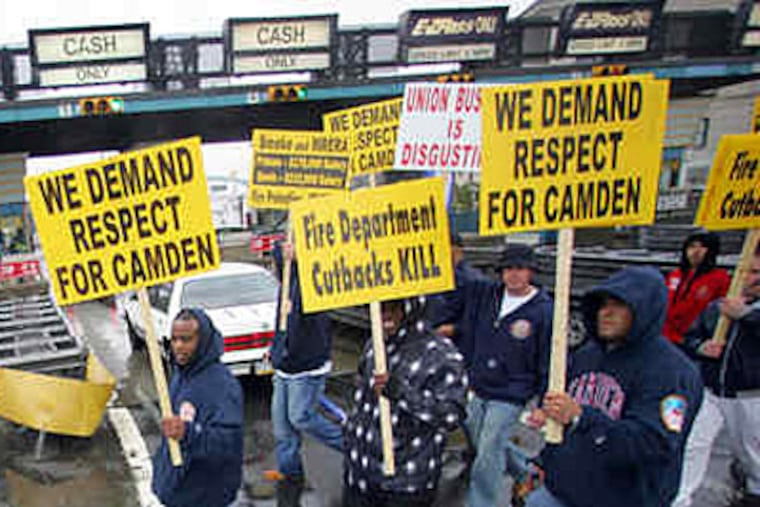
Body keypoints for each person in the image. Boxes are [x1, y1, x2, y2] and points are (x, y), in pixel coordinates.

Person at [525, 266, 703, 507]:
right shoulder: (586, 354)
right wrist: (545, 457)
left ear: (645, 309)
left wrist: (581, 417)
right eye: (603, 304)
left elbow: (654, 443)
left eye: (619, 305)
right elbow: (566, 422)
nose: (606, 313)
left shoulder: (673, 372)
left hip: (623, 498)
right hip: (561, 491)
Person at [435, 243, 553, 507]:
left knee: (487, 455)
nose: (514, 275)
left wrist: (544, 404)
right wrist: (451, 260)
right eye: (508, 269)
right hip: (479, 386)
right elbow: (460, 284)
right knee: (485, 442)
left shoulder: (543, 311)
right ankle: (526, 472)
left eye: (520, 269)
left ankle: (481, 502)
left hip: (512, 393)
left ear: (531, 272)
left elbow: (548, 359)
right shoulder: (487, 295)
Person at [342, 297, 467, 507]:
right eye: (379, 309)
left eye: (393, 308)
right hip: (360, 475)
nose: (385, 315)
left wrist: (401, 392)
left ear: (412, 309)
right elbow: (362, 396)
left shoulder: (440, 354)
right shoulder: (375, 344)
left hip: (404, 482)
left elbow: (451, 415)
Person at [674, 243, 760, 507]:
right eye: (745, 271)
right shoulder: (717, 308)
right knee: (692, 445)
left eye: (756, 272)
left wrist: (746, 316)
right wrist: (701, 347)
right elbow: (690, 336)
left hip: (752, 396)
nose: (750, 278)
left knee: (753, 458)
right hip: (712, 392)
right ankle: (678, 499)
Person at [270, 239, 343, 506]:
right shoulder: (285, 287)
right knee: (282, 429)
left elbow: (311, 319)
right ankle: (290, 476)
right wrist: (275, 348)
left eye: (279, 261)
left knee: (301, 417)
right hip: (284, 367)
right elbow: (281, 326)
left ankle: (353, 446)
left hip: (308, 366)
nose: (275, 267)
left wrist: (301, 262)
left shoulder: (311, 286)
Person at [152, 308, 244, 507]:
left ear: (202, 341)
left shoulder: (223, 385)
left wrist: (188, 432)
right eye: (174, 339)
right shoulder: (180, 375)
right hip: (178, 490)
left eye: (186, 339)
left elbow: (228, 443)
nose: (178, 346)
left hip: (205, 496)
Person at [428, 232, 485, 370]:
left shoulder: (473, 281)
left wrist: (454, 328)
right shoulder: (432, 275)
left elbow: (480, 318)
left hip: (460, 346)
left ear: (457, 250)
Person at [664, 231, 730, 347]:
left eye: (702, 247)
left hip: (696, 341)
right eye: (692, 246)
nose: (696, 251)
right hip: (667, 337)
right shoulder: (675, 275)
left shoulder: (720, 278)